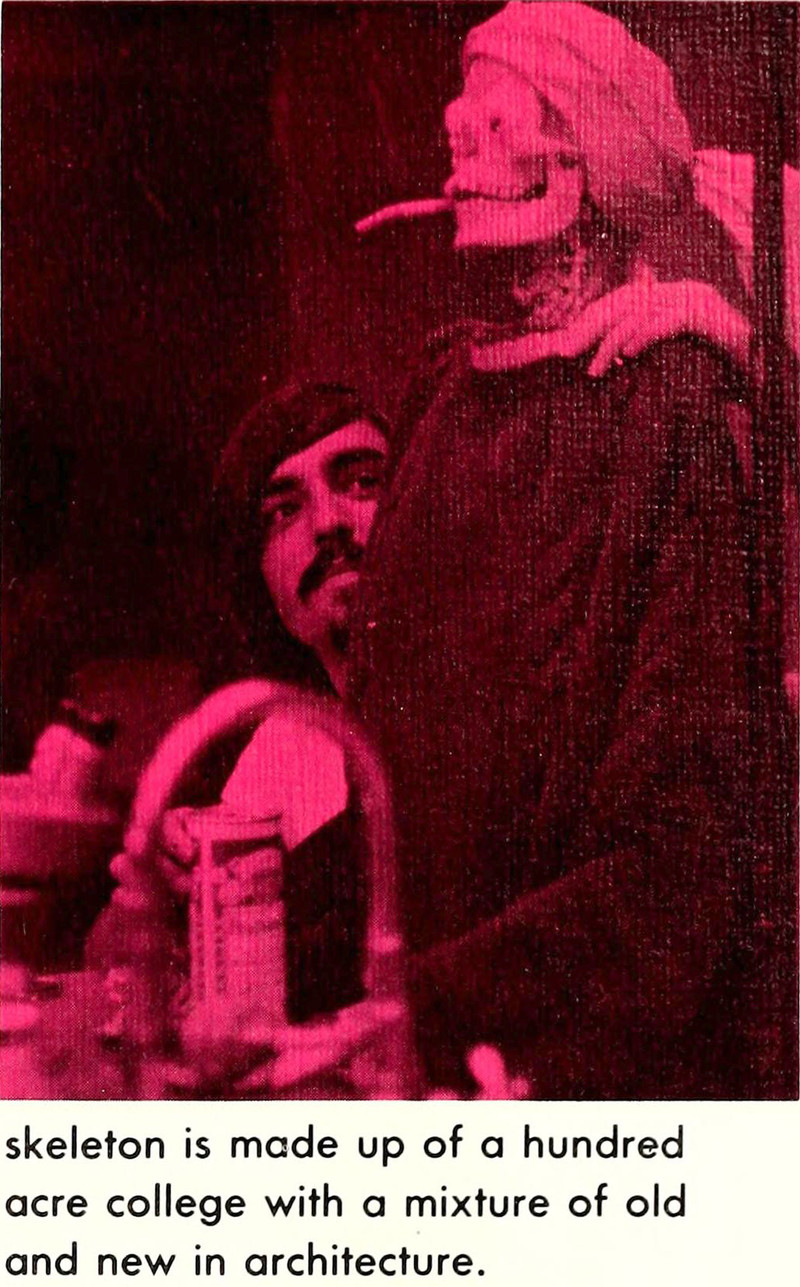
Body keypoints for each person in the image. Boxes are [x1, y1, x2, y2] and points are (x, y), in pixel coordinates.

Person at [350, 2, 796, 1098]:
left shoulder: (668, 408)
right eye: (463, 121)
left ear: (582, 161)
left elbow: (676, 866)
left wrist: (418, 1009)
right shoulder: (443, 392)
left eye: (498, 124)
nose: (460, 142)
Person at [114, 382, 392, 1026]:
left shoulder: (487, 716)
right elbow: (114, 956)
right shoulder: (283, 739)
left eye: (361, 483)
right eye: (283, 512)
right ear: (260, 577)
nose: (327, 523)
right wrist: (159, 896)